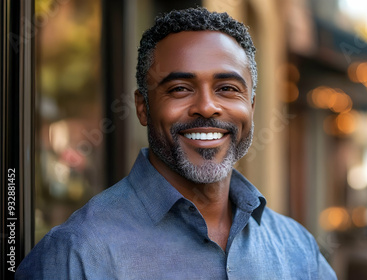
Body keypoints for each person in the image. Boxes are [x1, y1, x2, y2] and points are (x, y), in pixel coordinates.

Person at [16, 7, 337, 279]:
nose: (207, 106)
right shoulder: (78, 254)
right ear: (143, 107)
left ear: (251, 107)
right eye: (180, 88)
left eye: (227, 88)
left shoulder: (297, 250)